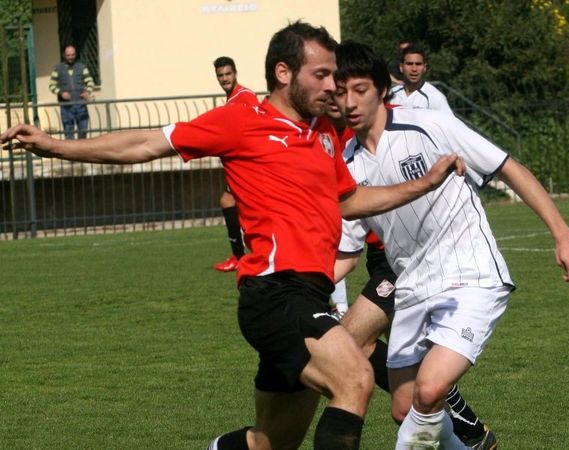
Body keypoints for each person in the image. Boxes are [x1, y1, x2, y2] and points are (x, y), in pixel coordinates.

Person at [1, 22, 466, 450]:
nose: (333, 86)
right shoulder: (240, 120)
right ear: (284, 72)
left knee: (270, 443)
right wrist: (53, 144)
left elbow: (348, 200)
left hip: (308, 294)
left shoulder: (322, 133)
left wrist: (423, 184)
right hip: (275, 293)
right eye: (322, 74)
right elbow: (145, 144)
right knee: (356, 380)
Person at [332, 41, 569, 449]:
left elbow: (508, 167)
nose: (349, 102)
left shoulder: (429, 124)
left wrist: (563, 235)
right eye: (340, 92)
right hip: (412, 288)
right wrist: (291, 289)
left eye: (360, 89)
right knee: (405, 408)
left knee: (430, 390)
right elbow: (346, 253)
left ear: (382, 89)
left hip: (470, 276)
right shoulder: (346, 164)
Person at [326, 97, 498, 449]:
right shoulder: (336, 141)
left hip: (404, 265)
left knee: (353, 340)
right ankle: (460, 423)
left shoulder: (397, 119)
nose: (339, 99)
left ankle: (456, 412)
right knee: (400, 398)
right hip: (384, 259)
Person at [212, 56, 259, 272]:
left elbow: (257, 124)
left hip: (249, 165)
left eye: (227, 74)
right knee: (228, 201)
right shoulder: (233, 99)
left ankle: (243, 256)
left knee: (233, 203)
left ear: (235, 73)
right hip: (240, 164)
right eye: (221, 75)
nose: (224, 79)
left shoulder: (245, 96)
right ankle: (240, 256)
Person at [389, 44, 453, 114]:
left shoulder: (435, 97)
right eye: (409, 64)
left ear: (424, 67)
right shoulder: (392, 94)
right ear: (401, 67)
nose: (414, 69)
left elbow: (449, 123)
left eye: (418, 64)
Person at [49, 44, 95, 140]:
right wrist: (61, 93)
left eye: (73, 55)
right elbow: (52, 86)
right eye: (68, 55)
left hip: (81, 105)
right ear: (64, 55)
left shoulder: (82, 67)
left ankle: (82, 154)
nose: (71, 57)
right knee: (69, 135)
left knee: (83, 134)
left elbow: (90, 81)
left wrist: (88, 91)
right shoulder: (57, 69)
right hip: (66, 107)